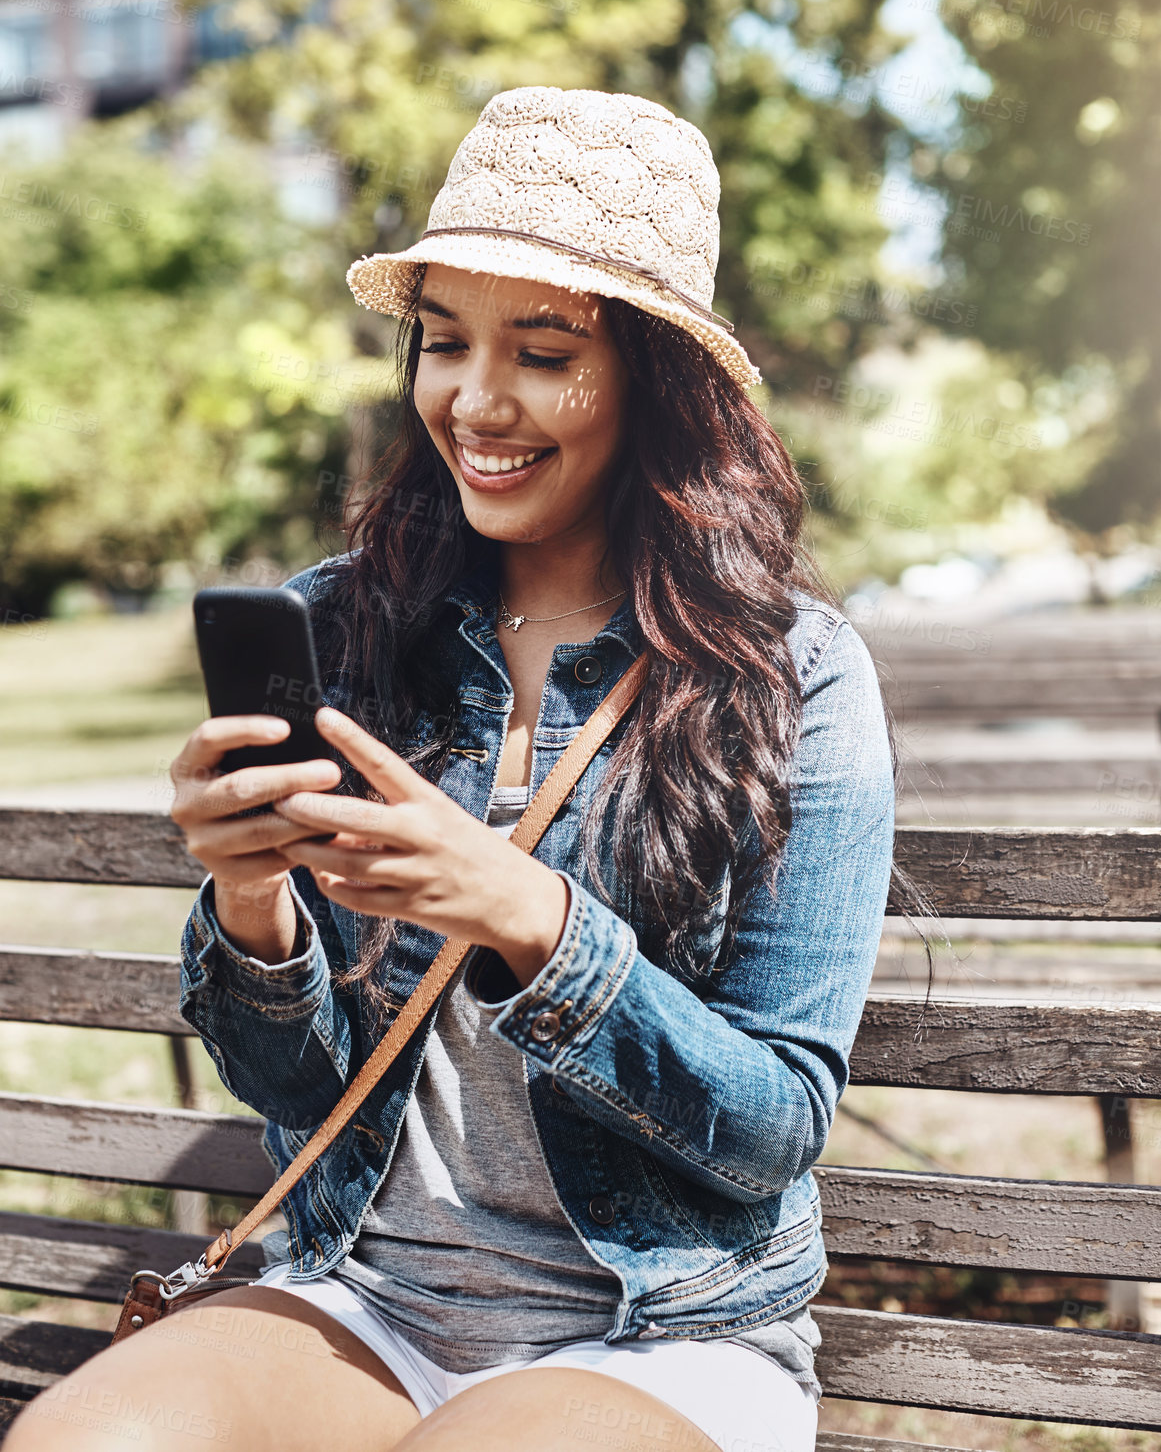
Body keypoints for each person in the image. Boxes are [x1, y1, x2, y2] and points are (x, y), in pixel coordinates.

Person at [10, 87, 894, 1452]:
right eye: (441, 342)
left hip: (660, 1334)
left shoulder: (794, 677)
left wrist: (530, 920)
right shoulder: (350, 626)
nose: (476, 400)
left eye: (543, 352)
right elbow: (292, 1088)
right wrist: (252, 905)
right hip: (370, 1298)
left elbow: (772, 1126)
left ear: (657, 379)